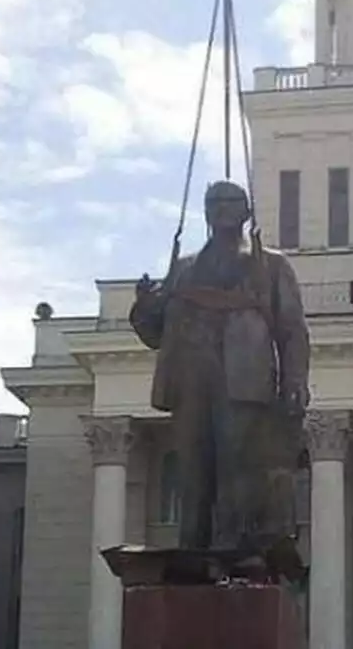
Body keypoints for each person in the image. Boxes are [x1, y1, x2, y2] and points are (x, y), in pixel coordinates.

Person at [130, 180, 310, 562]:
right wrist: (144, 306)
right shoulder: (184, 267)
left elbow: (292, 328)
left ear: (246, 212)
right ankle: (192, 552)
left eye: (230, 202)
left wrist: (295, 380)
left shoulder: (271, 264)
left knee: (238, 466)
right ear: (206, 213)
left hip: (243, 377)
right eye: (213, 203)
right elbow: (154, 333)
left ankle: (233, 552)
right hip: (190, 376)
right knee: (192, 469)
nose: (221, 209)